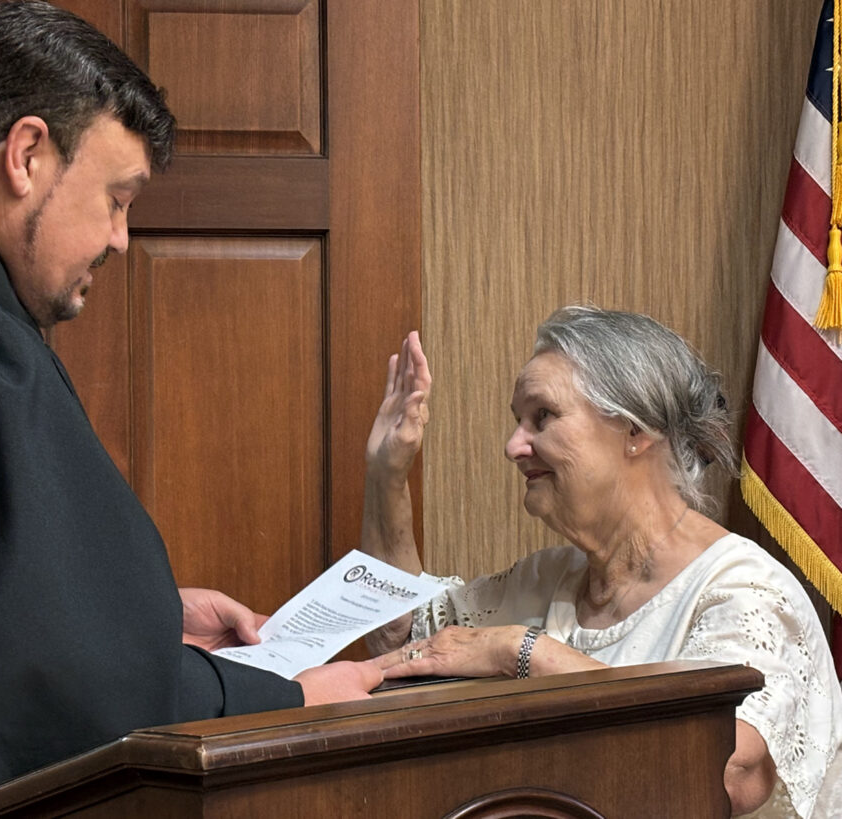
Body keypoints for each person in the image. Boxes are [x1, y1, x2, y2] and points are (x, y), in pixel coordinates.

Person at [0, 3, 381, 816]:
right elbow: (23, 680)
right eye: (118, 198)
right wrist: (277, 697)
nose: (121, 238)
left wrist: (136, 614)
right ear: (27, 154)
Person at [361, 307, 842, 819]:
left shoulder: (745, 590)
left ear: (635, 430)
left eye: (542, 417)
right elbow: (404, 635)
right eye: (517, 421)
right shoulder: (550, 578)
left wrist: (521, 652)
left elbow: (727, 774)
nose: (514, 446)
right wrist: (386, 473)